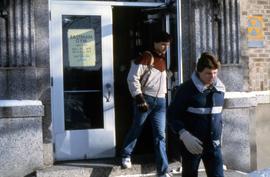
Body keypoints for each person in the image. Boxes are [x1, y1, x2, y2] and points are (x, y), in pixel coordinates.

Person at [121, 31, 172, 177]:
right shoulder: (146, 56)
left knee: (160, 136)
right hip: (146, 99)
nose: (165, 48)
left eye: (167, 45)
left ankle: (162, 171)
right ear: (155, 42)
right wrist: (139, 98)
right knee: (137, 128)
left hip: (161, 101)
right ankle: (126, 154)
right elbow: (132, 78)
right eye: (163, 44)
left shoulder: (163, 58)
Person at [167, 52, 226, 177]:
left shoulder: (220, 89)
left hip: (214, 145)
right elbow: (172, 115)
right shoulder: (185, 90)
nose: (212, 77)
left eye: (215, 73)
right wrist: (183, 134)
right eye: (208, 73)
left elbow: (218, 116)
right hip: (192, 145)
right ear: (199, 72)